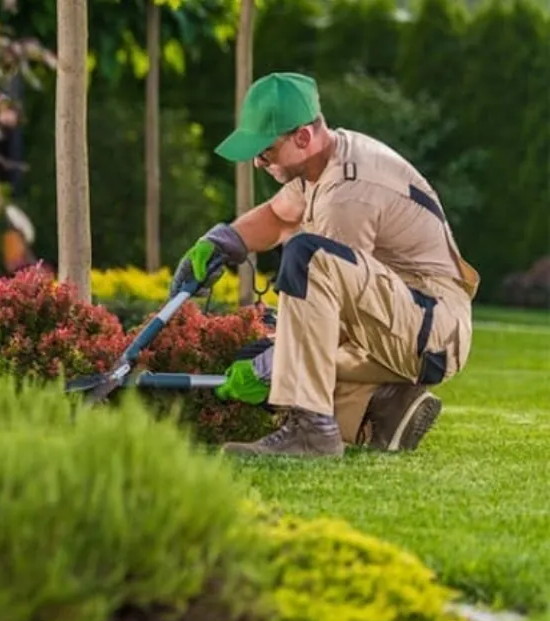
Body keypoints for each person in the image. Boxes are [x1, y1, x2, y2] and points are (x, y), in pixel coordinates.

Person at [170, 72, 480, 458]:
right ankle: (384, 407)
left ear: (303, 137)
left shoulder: (347, 195)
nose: (257, 162)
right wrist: (220, 242)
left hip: (430, 330)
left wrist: (269, 368)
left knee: (307, 261)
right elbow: (279, 216)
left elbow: (333, 309)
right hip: (400, 320)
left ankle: (312, 431)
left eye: (265, 151)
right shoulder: (323, 162)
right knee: (271, 349)